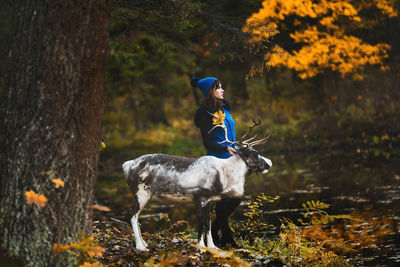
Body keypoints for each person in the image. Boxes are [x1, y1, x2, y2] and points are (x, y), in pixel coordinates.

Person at [192, 77, 241, 247]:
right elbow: (207, 142)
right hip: (217, 161)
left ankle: (213, 231)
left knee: (236, 197)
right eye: (218, 87)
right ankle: (227, 239)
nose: (222, 90)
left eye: (222, 87)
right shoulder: (205, 114)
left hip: (232, 160)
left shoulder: (224, 109)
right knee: (223, 202)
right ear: (210, 91)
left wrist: (236, 148)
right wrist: (224, 148)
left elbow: (230, 134)